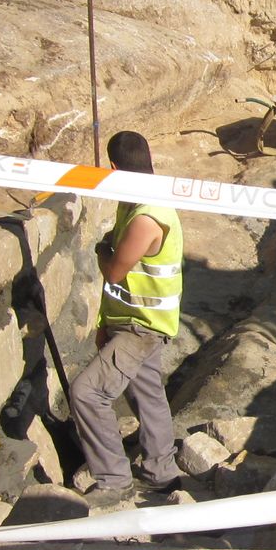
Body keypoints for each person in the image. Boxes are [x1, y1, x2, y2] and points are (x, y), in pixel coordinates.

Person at [70, 131, 183, 506]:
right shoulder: (137, 201)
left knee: (87, 393)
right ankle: (162, 473)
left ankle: (114, 479)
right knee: (146, 394)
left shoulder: (147, 217)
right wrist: (106, 323)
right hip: (132, 321)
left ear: (115, 169)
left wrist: (104, 250)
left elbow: (115, 272)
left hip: (142, 327)